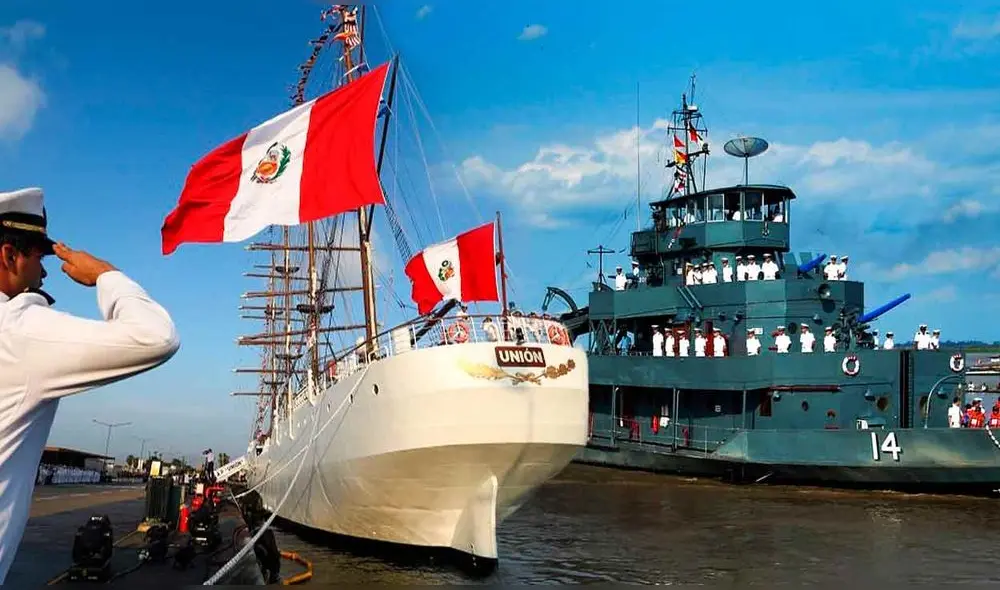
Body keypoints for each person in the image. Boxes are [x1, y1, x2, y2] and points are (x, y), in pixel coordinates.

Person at [0, 187, 180, 584]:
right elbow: (156, 337)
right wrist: (105, 275)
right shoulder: (18, 332)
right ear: (9, 256)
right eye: (38, 258)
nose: (45, 273)